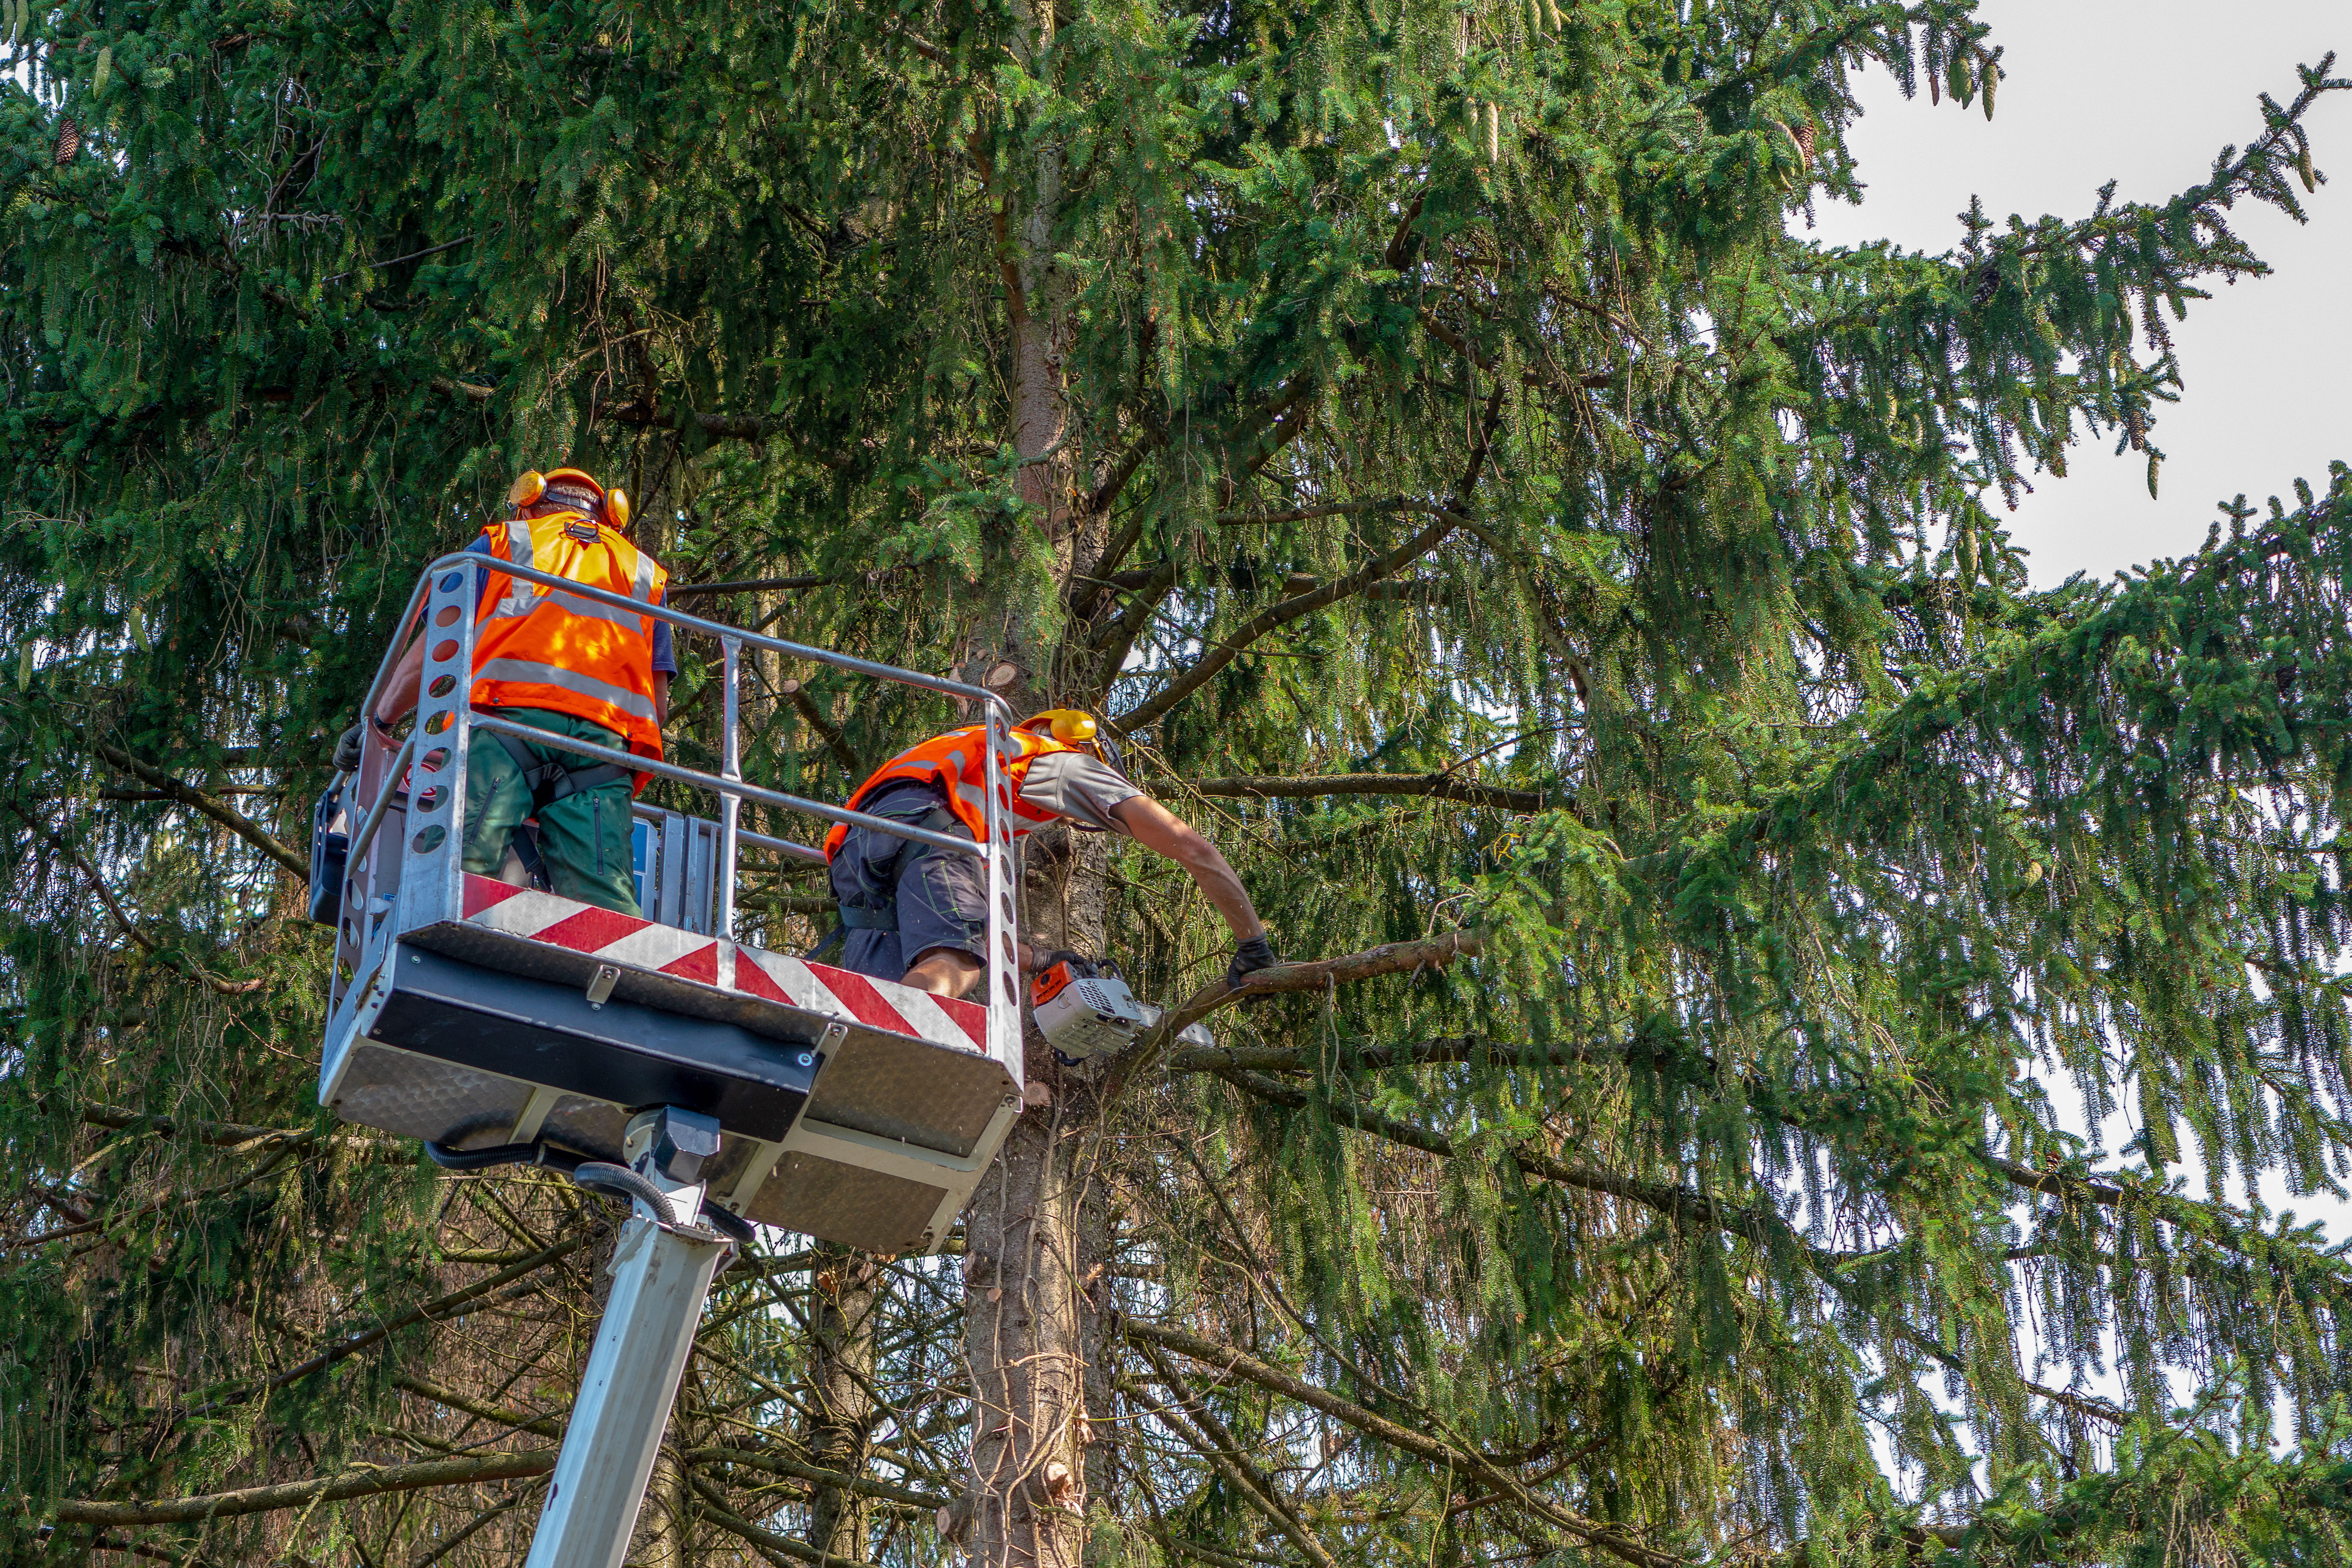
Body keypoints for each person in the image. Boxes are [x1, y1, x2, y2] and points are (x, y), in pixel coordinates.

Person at [335, 467, 675, 915]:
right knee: (605, 908)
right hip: (603, 754)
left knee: (458, 870)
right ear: (609, 517)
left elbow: (438, 647)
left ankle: (435, 944)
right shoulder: (644, 574)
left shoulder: (506, 543)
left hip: (504, 729)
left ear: (528, 504)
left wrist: (381, 719)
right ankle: (619, 980)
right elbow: (659, 703)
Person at [822, 709, 1280, 998]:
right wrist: (1253, 945)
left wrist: (1043, 960)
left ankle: (859, 1055)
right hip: (928, 831)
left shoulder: (982, 765)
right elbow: (1194, 847)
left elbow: (965, 928)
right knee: (956, 965)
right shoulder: (1068, 762)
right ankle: (900, 1041)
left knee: (885, 992)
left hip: (856, 852)